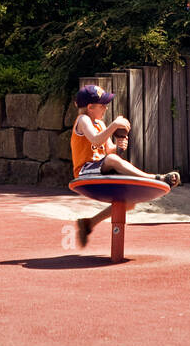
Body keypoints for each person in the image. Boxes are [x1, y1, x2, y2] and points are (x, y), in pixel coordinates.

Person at [71, 85, 180, 248]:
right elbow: (95, 140)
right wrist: (114, 126)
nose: (106, 108)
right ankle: (155, 178)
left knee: (128, 202)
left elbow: (109, 150)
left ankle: (89, 223)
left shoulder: (100, 123)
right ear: (90, 107)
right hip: (85, 170)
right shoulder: (83, 120)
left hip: (100, 167)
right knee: (112, 160)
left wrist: (119, 146)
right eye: (102, 105)